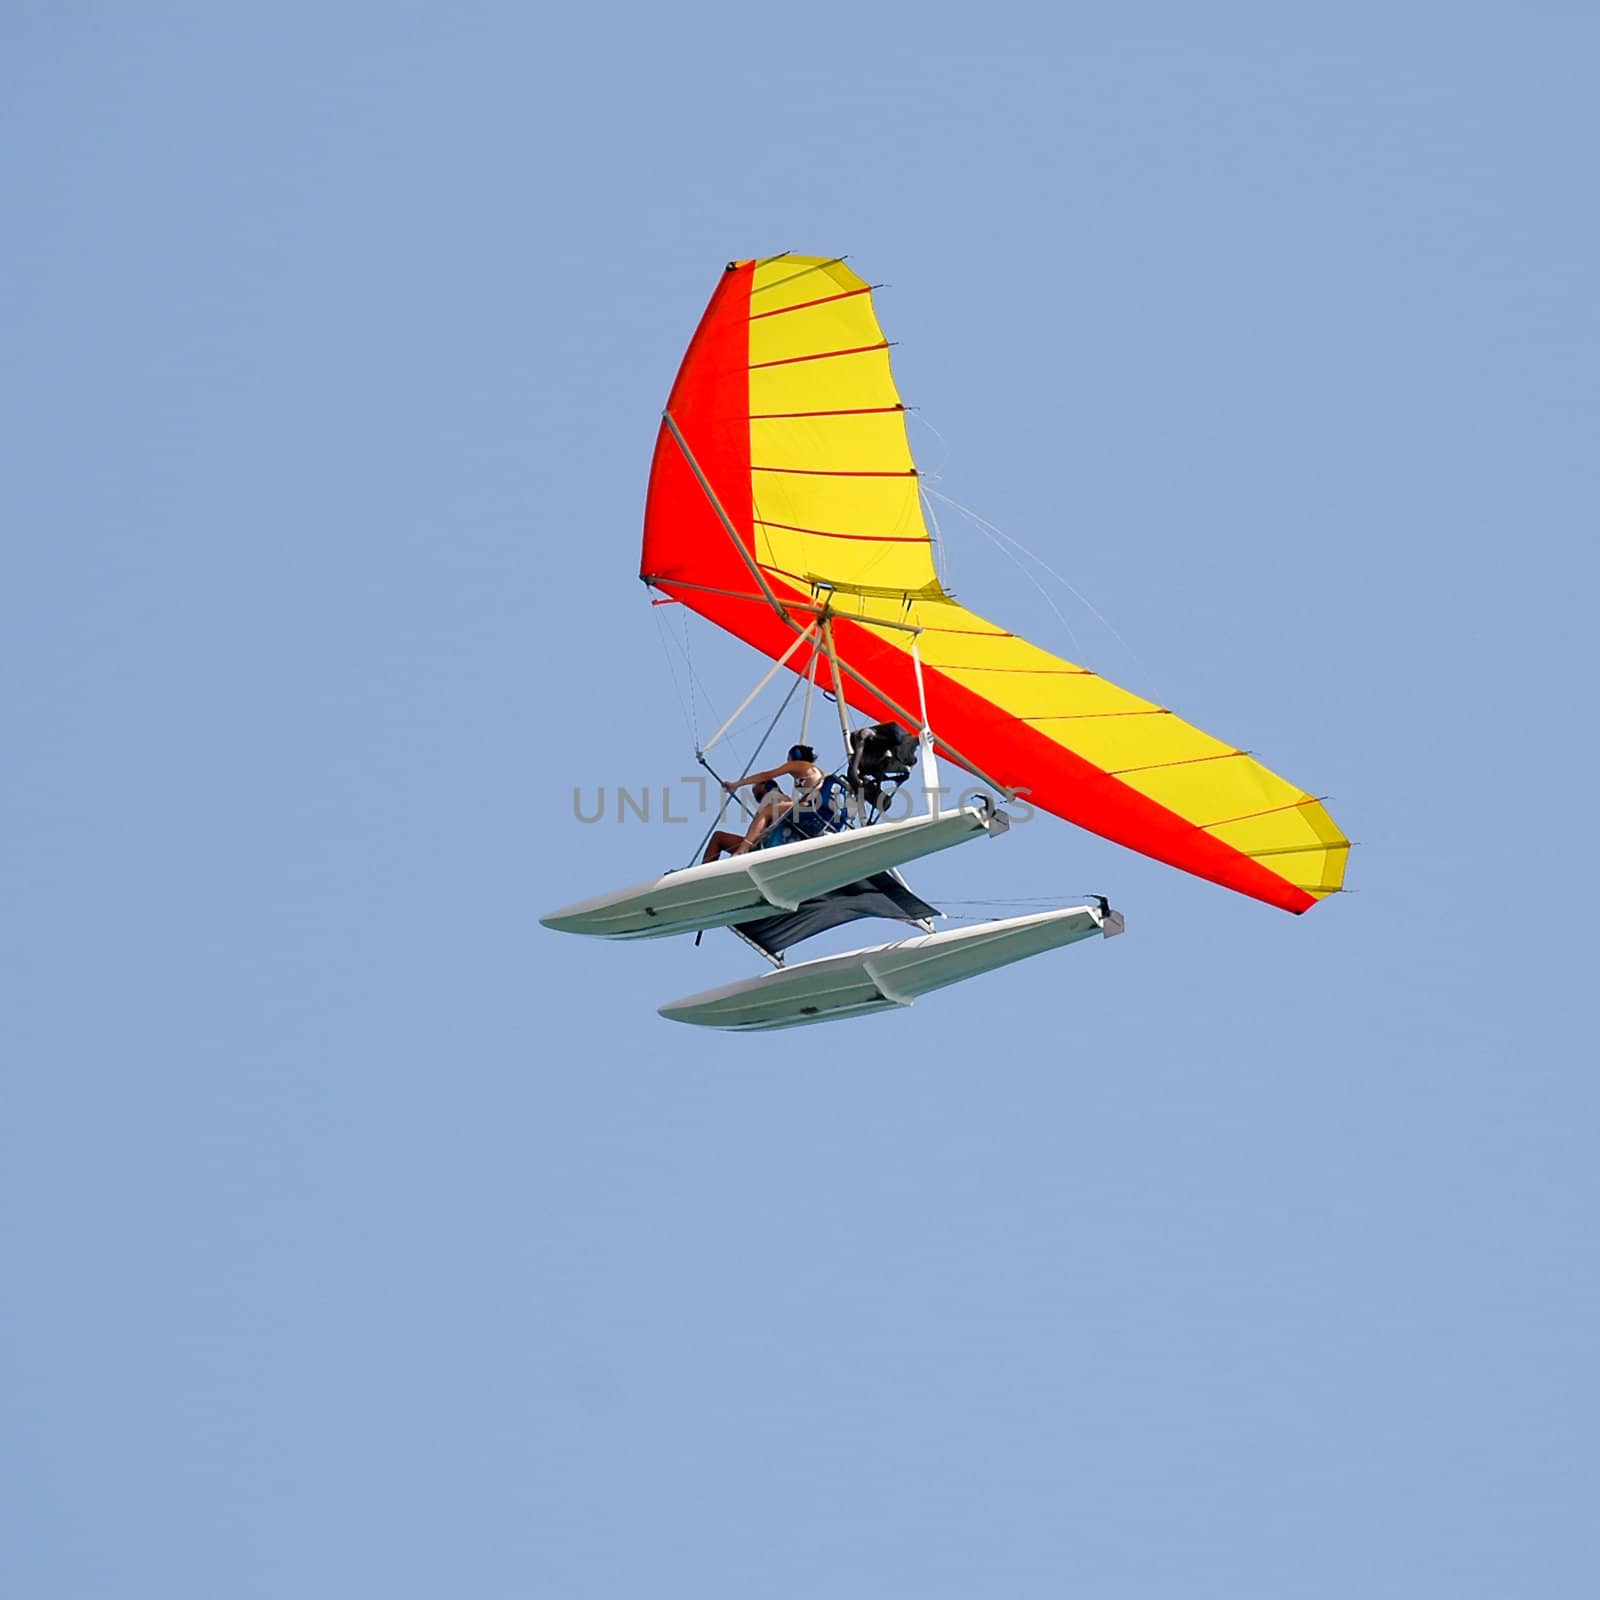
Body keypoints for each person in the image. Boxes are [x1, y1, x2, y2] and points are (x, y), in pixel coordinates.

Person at [719, 744, 825, 856]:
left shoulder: (798, 765)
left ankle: (742, 849)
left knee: (766, 811)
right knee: (782, 808)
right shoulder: (816, 771)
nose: (787, 761)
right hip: (821, 809)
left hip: (812, 806)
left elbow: (767, 775)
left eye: (788, 758)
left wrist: (736, 784)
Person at [700, 779, 784, 864]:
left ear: (767, 785)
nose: (757, 799)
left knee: (718, 837)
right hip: (764, 844)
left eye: (758, 796)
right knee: (718, 837)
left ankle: (703, 873)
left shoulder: (772, 798)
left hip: (765, 846)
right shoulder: (781, 802)